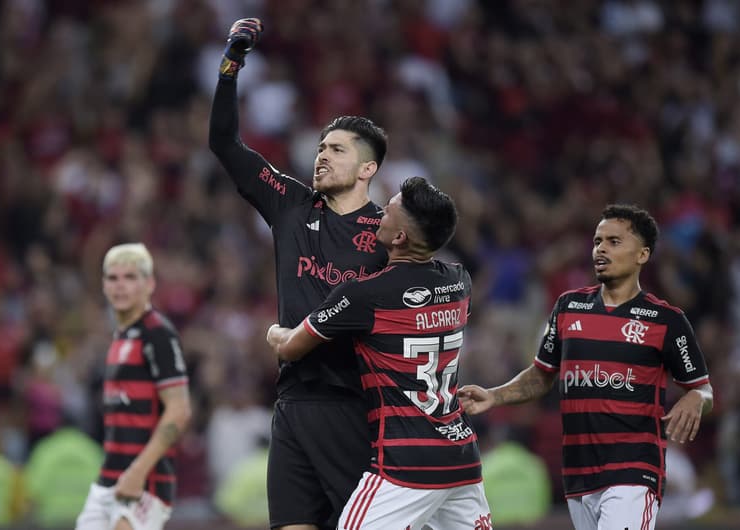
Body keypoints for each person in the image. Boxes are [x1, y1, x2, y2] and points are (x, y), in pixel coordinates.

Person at [209, 18, 390, 530]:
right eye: (320, 147)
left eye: (336, 149)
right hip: (290, 402)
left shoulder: (387, 233)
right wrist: (231, 66)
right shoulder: (291, 203)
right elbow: (225, 144)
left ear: (367, 169)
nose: (321, 155)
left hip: (352, 406)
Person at [458, 204, 713, 530]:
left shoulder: (666, 321)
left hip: (633, 471)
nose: (601, 249)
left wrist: (695, 398)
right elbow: (541, 376)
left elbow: (703, 390)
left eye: (614, 241)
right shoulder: (568, 307)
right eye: (597, 241)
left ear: (642, 255)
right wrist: (495, 396)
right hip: (579, 475)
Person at [267, 177, 491, 530]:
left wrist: (274, 333)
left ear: (400, 237)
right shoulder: (459, 281)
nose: (379, 214)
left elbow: (292, 347)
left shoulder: (364, 295)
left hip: (406, 463)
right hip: (461, 458)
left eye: (388, 210)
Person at [76, 243, 192, 530]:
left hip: (145, 481)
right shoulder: (121, 337)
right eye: (113, 278)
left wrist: (138, 472)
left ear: (149, 283)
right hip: (109, 478)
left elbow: (179, 410)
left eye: (130, 277)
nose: (120, 286)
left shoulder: (158, 333)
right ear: (103, 285)